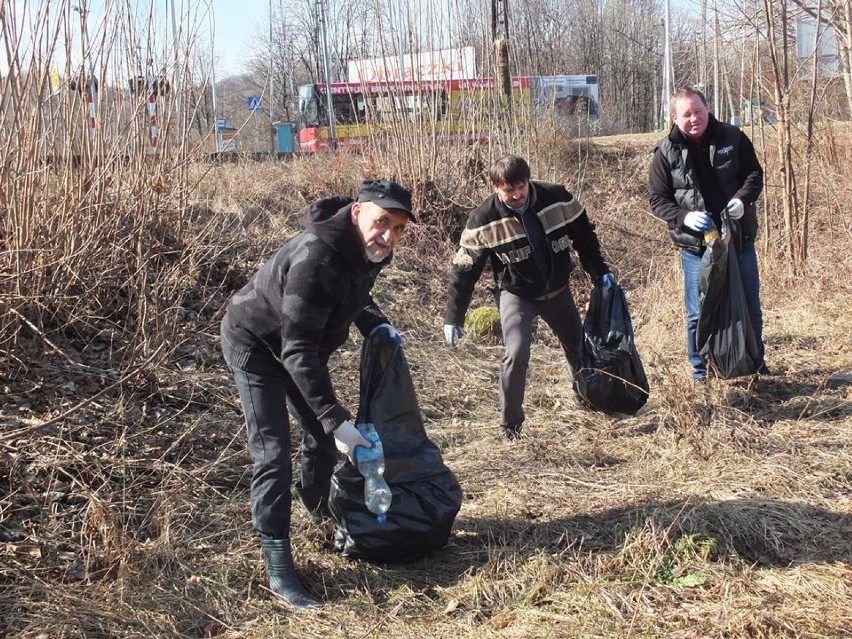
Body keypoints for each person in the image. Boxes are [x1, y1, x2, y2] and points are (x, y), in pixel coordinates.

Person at [220, 179, 415, 608]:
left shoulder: (365, 248)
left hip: (298, 347)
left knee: (323, 438)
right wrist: (338, 422)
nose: (389, 236)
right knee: (273, 454)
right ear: (358, 211)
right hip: (255, 345)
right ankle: (278, 563)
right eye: (383, 222)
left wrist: (376, 323)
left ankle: (315, 511)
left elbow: (353, 293)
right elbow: (298, 352)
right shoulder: (316, 258)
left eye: (399, 228)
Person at [442, 155, 614, 441]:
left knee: (578, 349)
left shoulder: (557, 197)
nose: (516, 195)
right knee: (516, 352)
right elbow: (464, 271)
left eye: (521, 187)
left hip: (558, 291)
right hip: (516, 294)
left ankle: (589, 399)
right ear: (494, 187)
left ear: (528, 180)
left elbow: (585, 237)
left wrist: (600, 273)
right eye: (508, 190)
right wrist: (453, 317)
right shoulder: (482, 219)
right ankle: (510, 427)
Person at [649, 87, 767, 381]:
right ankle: (700, 371)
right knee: (697, 313)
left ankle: (756, 363)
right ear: (675, 118)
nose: (693, 118)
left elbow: (754, 174)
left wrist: (743, 199)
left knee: (750, 305)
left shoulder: (733, 137)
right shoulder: (666, 151)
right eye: (686, 114)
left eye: (698, 111)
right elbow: (658, 199)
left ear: (707, 107)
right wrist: (684, 217)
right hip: (695, 248)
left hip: (737, 239)